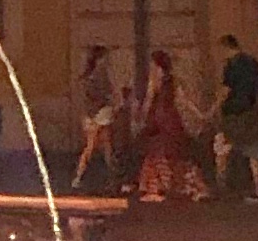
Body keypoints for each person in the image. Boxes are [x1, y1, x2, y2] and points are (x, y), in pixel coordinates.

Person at [130, 48, 208, 206]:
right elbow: (184, 100)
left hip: (159, 118)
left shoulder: (155, 80)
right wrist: (199, 114)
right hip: (171, 118)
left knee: (156, 151)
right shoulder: (173, 80)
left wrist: (140, 117)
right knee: (175, 152)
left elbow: (149, 100)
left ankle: (157, 186)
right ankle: (182, 184)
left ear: (157, 65)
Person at [215, 33, 258, 203]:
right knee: (253, 152)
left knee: (222, 149)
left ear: (226, 47)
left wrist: (212, 110)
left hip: (233, 114)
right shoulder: (253, 63)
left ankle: (221, 187)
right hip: (251, 113)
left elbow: (226, 91)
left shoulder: (231, 66)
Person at [70, 45, 125, 193]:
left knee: (102, 146)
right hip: (100, 113)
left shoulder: (91, 76)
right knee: (99, 146)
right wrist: (111, 101)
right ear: (99, 59)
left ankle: (83, 176)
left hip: (95, 114)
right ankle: (84, 176)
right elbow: (101, 95)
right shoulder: (98, 76)